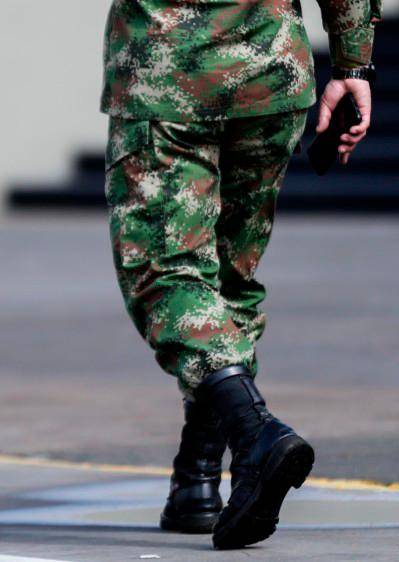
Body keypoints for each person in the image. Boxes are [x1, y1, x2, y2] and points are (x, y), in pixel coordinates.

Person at [101, 0, 380, 549]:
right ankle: (197, 480)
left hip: (168, 71)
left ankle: (255, 436)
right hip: (269, 71)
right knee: (230, 279)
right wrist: (353, 65)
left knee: (167, 273)